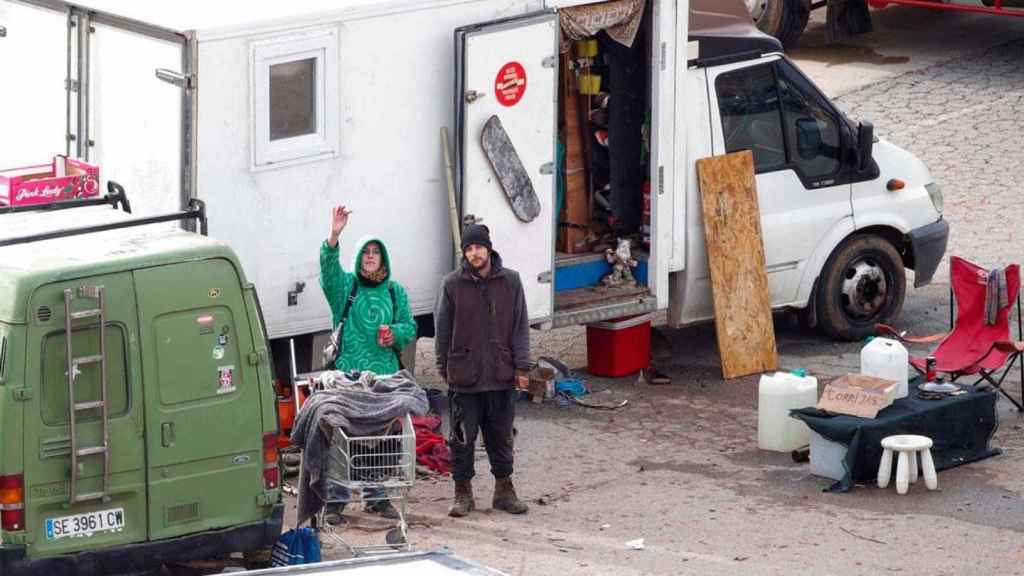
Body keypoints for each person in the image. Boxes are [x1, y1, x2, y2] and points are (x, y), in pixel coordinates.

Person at [319, 205, 417, 520]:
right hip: (350, 377)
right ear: (359, 257)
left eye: (376, 252)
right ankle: (336, 500)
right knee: (344, 438)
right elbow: (328, 272)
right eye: (366, 252)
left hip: (384, 379)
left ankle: (377, 496)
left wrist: (396, 334)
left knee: (382, 441)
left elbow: (411, 327)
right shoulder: (346, 288)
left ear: (383, 258)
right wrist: (334, 235)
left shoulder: (394, 291)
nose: (371, 256)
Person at [434, 224, 531, 518]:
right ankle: (463, 494)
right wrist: (445, 367)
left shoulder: (511, 281)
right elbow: (442, 330)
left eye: (478, 247)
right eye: (468, 249)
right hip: (465, 378)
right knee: (462, 438)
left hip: (501, 375)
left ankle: (504, 490)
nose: (474, 253)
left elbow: (520, 326)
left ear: (488, 248)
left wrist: (522, 366)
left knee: (501, 436)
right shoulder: (452, 285)